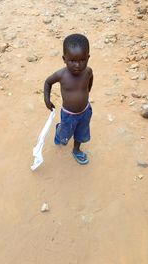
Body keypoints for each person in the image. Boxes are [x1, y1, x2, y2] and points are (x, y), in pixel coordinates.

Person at [44, 33, 93, 165]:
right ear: (64, 59)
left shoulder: (87, 71)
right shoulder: (61, 75)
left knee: (81, 133)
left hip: (85, 111)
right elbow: (48, 82)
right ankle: (59, 130)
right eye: (72, 61)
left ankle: (76, 150)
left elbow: (90, 78)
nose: (77, 65)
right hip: (68, 115)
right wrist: (47, 100)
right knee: (63, 137)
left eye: (82, 60)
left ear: (88, 57)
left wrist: (87, 90)